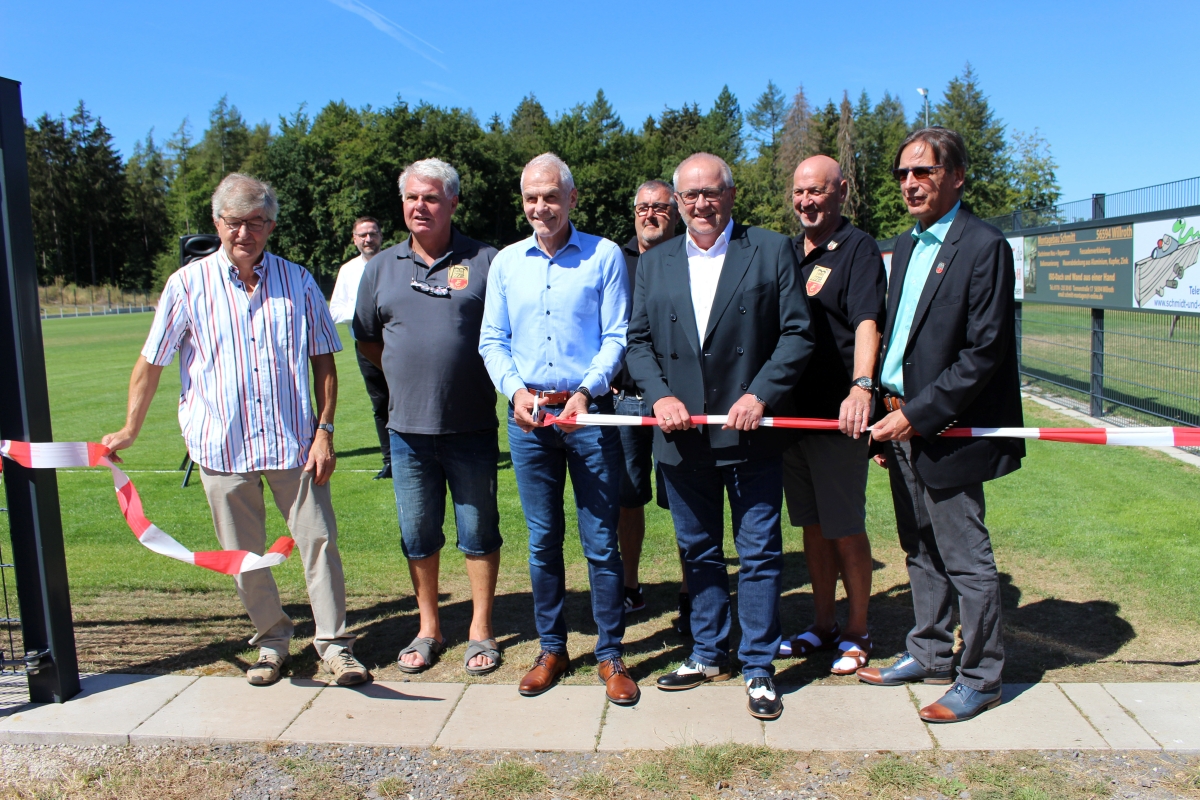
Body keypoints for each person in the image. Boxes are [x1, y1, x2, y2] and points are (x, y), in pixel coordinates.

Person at [101, 173, 369, 687]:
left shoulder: (298, 280)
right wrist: (130, 429)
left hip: (294, 443)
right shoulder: (186, 285)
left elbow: (324, 362)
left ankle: (334, 644)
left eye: (256, 223)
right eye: (234, 223)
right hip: (220, 445)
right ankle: (271, 640)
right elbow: (151, 363)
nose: (244, 233)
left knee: (319, 541)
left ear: (271, 224)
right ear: (216, 223)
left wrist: (325, 430)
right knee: (242, 556)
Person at [625, 153, 815, 720]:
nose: (701, 204)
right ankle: (707, 651)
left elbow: (796, 334)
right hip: (682, 437)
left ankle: (758, 665)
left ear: (730, 195)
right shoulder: (654, 263)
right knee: (699, 550)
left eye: (711, 193)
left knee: (758, 553)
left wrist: (760, 394)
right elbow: (638, 343)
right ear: (677, 202)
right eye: (690, 196)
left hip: (749, 432)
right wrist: (659, 394)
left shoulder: (771, 249)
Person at [857, 127, 1024, 724]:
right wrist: (886, 409)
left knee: (966, 558)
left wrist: (918, 417)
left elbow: (984, 352)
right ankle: (928, 652)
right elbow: (898, 339)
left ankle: (980, 678)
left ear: (955, 176)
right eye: (902, 173)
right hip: (898, 418)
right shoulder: (904, 246)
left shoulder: (984, 246)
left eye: (922, 172)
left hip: (946, 428)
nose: (909, 183)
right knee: (919, 548)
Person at [479, 152, 638, 706]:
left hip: (587, 416)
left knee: (601, 542)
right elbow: (492, 339)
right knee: (543, 541)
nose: (541, 206)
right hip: (529, 420)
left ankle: (610, 653)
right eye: (531, 197)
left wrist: (585, 391)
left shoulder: (604, 255)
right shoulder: (505, 263)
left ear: (571, 198)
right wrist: (516, 393)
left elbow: (617, 335)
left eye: (551, 196)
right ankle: (552, 648)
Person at [354, 159, 503, 676]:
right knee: (418, 535)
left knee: (478, 532)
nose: (421, 206)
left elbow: (504, 336)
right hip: (406, 433)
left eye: (432, 198)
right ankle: (429, 628)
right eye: (413, 197)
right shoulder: (380, 268)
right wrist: (408, 372)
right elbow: (368, 339)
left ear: (453, 202)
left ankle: (481, 630)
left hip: (472, 428)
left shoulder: (486, 260)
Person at [777, 156, 886, 675]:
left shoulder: (858, 249)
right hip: (793, 419)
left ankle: (857, 629)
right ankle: (822, 625)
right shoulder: (788, 252)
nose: (806, 201)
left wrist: (862, 386)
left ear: (841, 191)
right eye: (799, 192)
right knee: (813, 527)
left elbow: (868, 322)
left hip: (837, 418)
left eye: (817, 191)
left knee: (845, 527)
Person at [612, 179, 689, 631]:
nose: (650, 214)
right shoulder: (613, 260)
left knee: (684, 498)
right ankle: (630, 585)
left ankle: (689, 589)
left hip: (676, 403)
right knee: (627, 498)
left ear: (675, 211)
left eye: (660, 207)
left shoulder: (688, 259)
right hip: (622, 401)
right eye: (643, 207)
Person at [329, 217, 391, 480]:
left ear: (380, 235)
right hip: (366, 345)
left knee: (410, 399)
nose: (368, 239)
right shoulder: (348, 270)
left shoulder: (394, 263)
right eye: (362, 235)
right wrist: (362, 312)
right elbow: (335, 310)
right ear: (354, 239)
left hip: (398, 343)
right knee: (380, 404)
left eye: (373, 234)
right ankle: (391, 462)